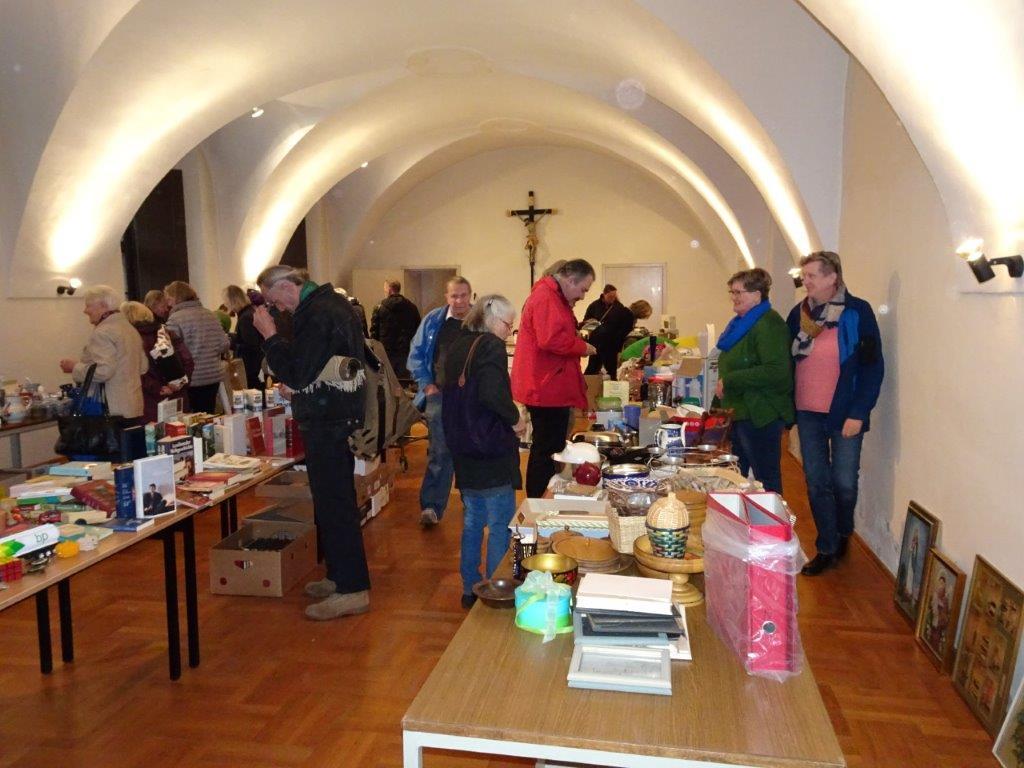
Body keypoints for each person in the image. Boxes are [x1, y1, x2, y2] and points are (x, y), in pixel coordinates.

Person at [253, 264, 371, 621]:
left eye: (276, 301)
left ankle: (352, 589)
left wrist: (270, 335)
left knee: (335, 504)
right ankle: (339, 576)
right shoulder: (326, 304)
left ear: (287, 286)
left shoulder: (317, 312)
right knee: (331, 503)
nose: (278, 309)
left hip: (329, 421)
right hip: (333, 416)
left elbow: (296, 372)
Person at [787, 251, 884, 576]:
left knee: (843, 483)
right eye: (805, 275)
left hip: (845, 413)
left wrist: (859, 412)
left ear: (832, 277)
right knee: (817, 482)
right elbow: (787, 360)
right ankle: (827, 546)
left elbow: (872, 367)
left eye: (812, 275)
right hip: (808, 412)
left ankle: (843, 530)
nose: (806, 281)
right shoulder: (798, 314)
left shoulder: (857, 312)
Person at [442, 295, 526, 609]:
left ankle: (469, 588)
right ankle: (495, 587)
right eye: (507, 325)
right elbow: (492, 393)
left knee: (473, 521)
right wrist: (516, 420)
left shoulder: (458, 344)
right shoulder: (490, 346)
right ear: (491, 320)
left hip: (463, 447)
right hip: (490, 449)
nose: (508, 332)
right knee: (500, 524)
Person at [511, 259, 597, 497]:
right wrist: (582, 347)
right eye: (582, 289)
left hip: (549, 383)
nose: (583, 296)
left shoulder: (553, 297)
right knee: (547, 449)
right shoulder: (546, 297)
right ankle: (538, 501)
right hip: (545, 386)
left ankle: (543, 498)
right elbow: (550, 339)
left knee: (550, 447)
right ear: (570, 280)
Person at [713, 268, 793, 494]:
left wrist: (730, 380)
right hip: (742, 411)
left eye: (739, 292)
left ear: (757, 295)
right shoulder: (742, 323)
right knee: (740, 476)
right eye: (732, 292)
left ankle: (770, 516)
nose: (734, 297)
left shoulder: (768, 324)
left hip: (760, 413)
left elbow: (776, 371)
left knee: (765, 478)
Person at [406, 277, 472, 527]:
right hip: (439, 395)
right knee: (440, 452)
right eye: (454, 296)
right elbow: (416, 354)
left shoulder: (480, 320)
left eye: (463, 295)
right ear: (447, 297)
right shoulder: (433, 320)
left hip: (470, 399)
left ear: (470, 295)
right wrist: (427, 385)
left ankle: (472, 503)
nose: (459, 301)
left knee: (470, 450)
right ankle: (431, 507)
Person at [59, 285, 147, 422]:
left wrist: (74, 367)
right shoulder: (129, 329)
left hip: (110, 409)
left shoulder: (103, 332)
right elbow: (143, 367)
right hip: (133, 405)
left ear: (103, 306)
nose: (85, 310)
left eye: (88, 305)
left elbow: (104, 371)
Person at [122, 300, 195, 423]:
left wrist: (158, 388)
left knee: (154, 434)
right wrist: (177, 385)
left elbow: (136, 372)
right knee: (179, 432)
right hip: (178, 397)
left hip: (149, 402)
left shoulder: (131, 340)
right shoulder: (167, 333)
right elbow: (188, 361)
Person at [163, 281, 230, 414]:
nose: (168, 304)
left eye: (168, 299)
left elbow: (170, 352)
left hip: (191, 378)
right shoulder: (210, 315)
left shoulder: (175, 319)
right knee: (208, 416)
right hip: (212, 376)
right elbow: (224, 344)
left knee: (191, 420)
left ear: (174, 298)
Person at [582, 285, 637, 380]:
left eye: (614, 296)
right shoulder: (594, 306)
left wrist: (619, 338)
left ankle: (611, 387)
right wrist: (591, 324)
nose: (613, 299)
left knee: (611, 370)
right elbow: (586, 322)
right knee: (593, 368)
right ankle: (588, 385)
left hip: (612, 344)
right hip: (597, 342)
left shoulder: (619, 307)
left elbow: (625, 325)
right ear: (604, 294)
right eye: (610, 296)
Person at [370, 280, 421, 378]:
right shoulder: (412, 307)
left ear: (389, 290)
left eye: (385, 289)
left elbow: (374, 334)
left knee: (387, 382)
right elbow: (418, 332)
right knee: (404, 383)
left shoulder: (379, 308)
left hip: (385, 354)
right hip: (406, 353)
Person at [223, 285, 263, 389]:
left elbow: (251, 344)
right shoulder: (248, 313)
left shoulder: (245, 317)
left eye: (226, 301)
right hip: (253, 363)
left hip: (249, 365)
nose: (226, 304)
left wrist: (231, 342)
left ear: (232, 301)